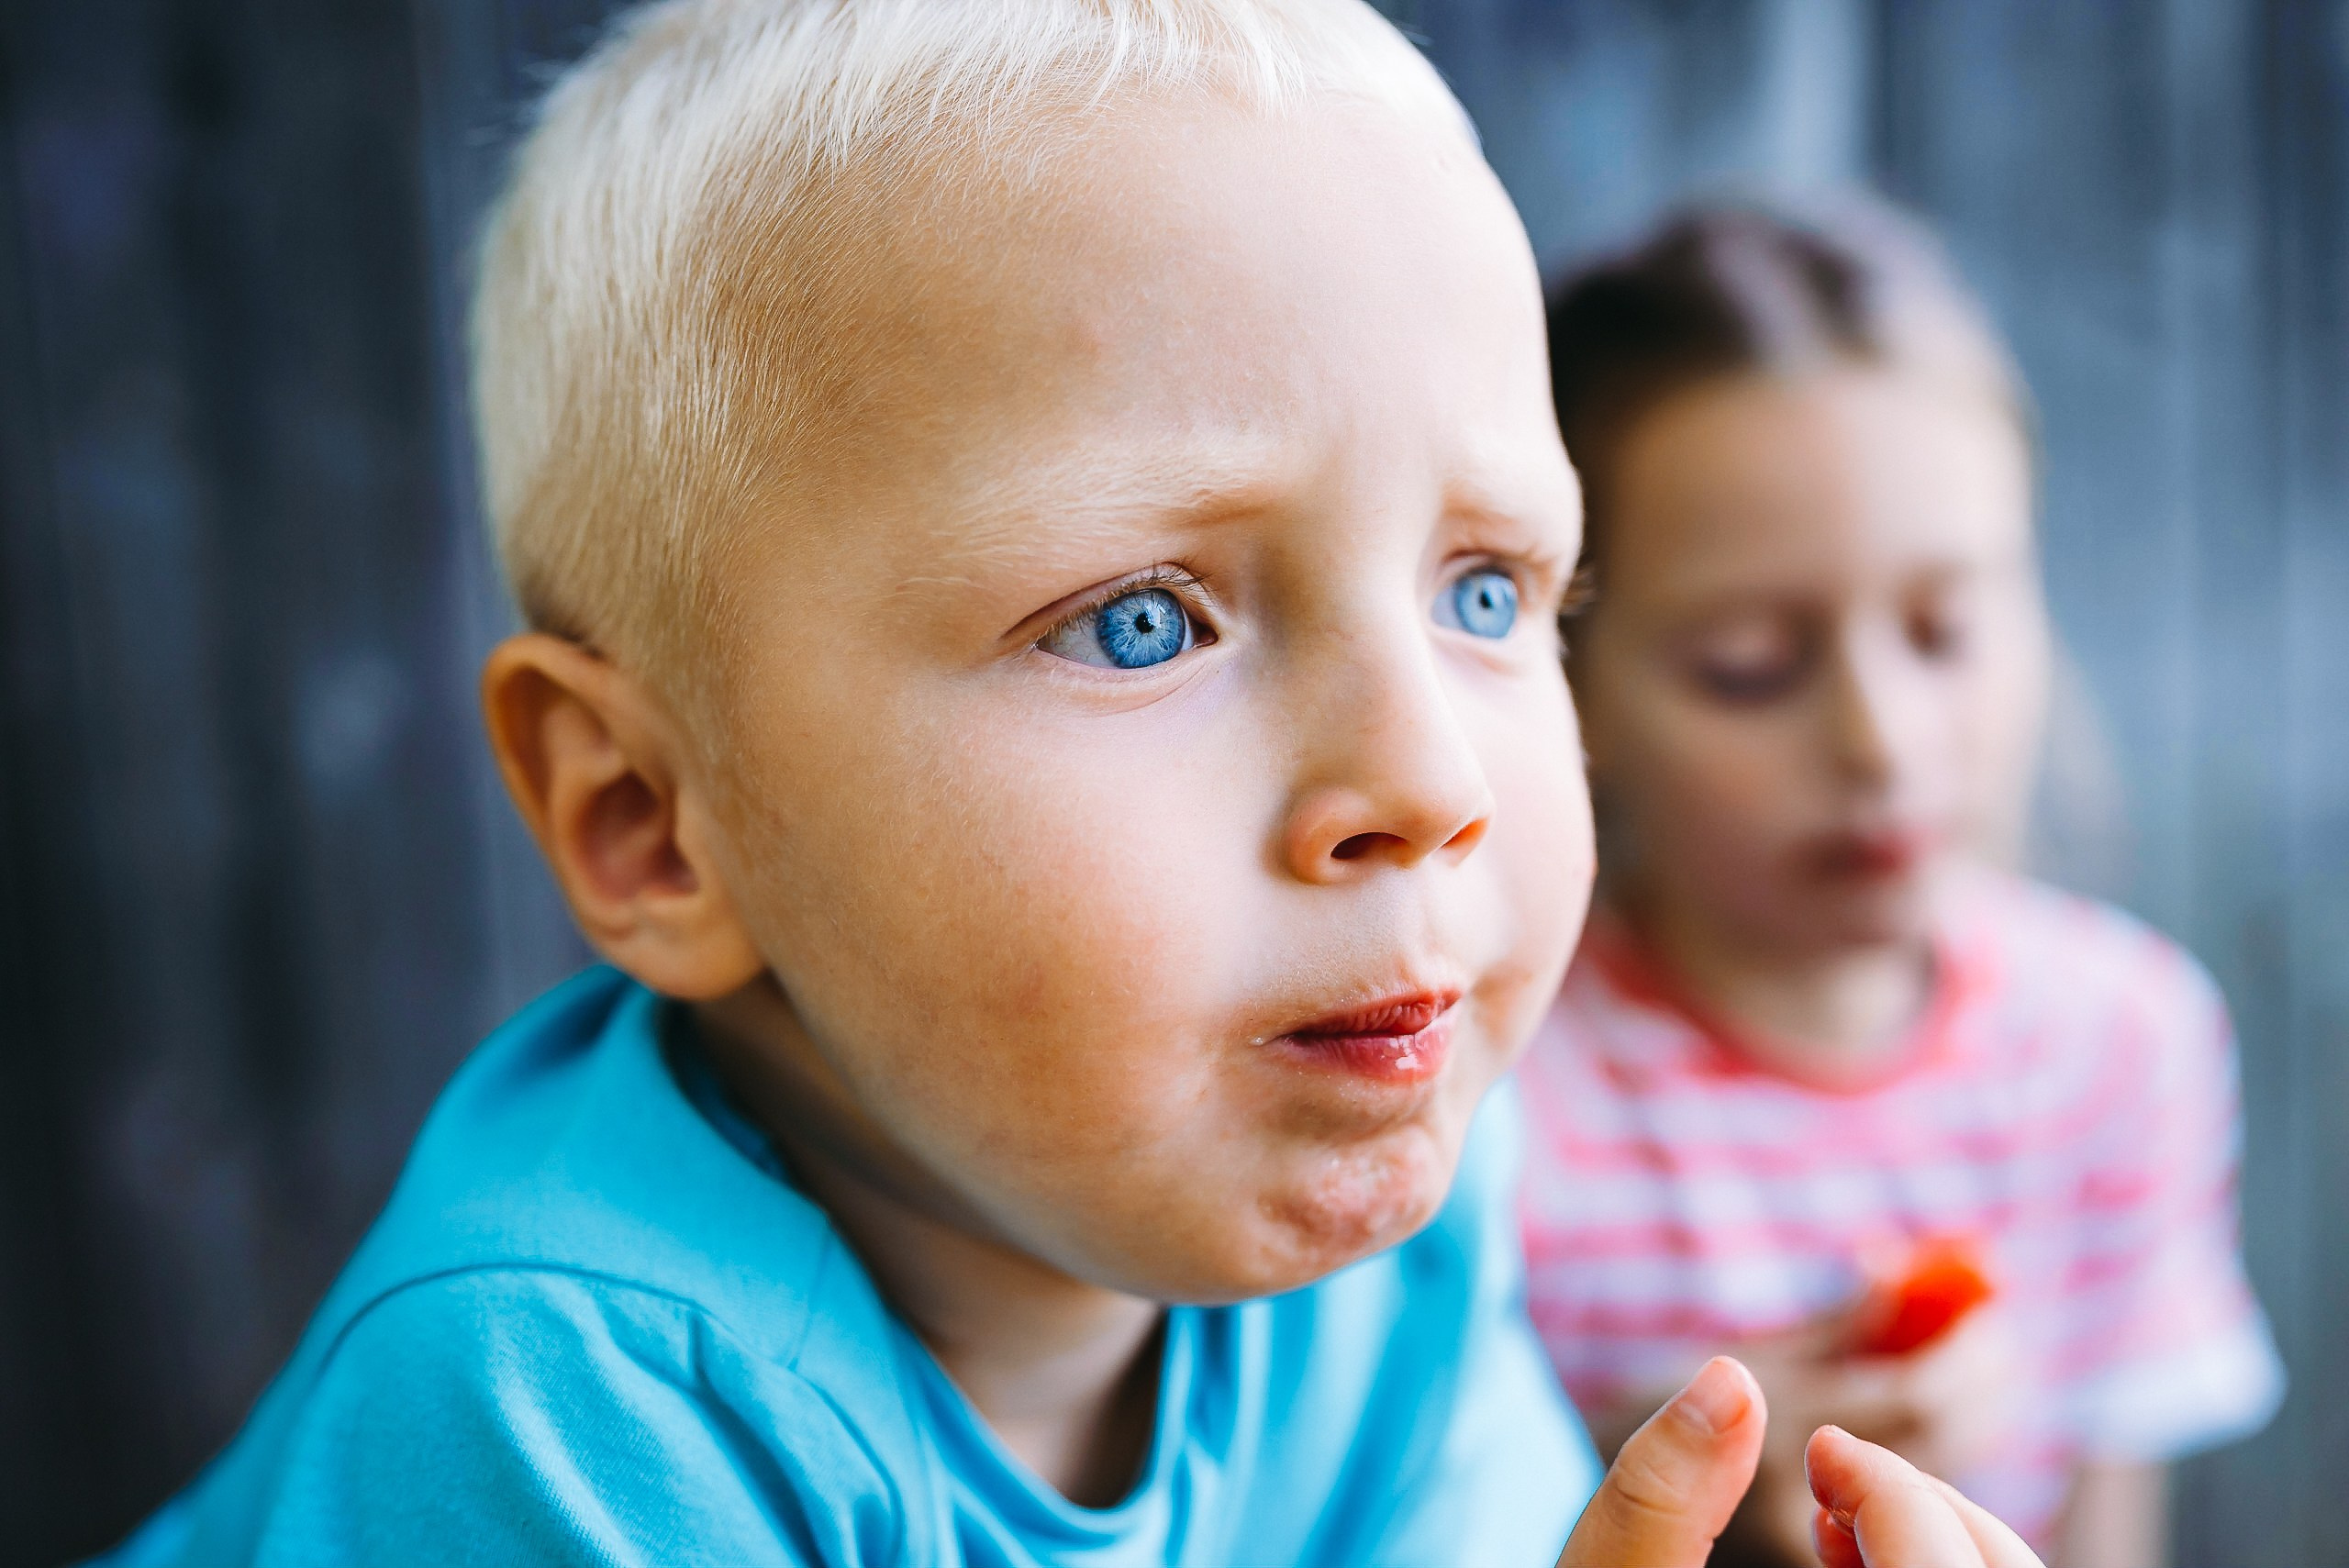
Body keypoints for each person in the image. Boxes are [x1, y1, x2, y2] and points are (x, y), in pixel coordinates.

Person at [89, 8, 2037, 1563]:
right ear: (648, 819)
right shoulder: (563, 1399)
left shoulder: (1393, 1189)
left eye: (1483, 589)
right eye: (1138, 623)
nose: (1427, 782)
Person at [1519, 200, 2287, 1568]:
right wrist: (1646, 1472)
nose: (1880, 738)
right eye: (1750, 661)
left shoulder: (2122, 1043)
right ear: (1573, 686)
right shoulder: (1513, 1097)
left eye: (1944, 628)